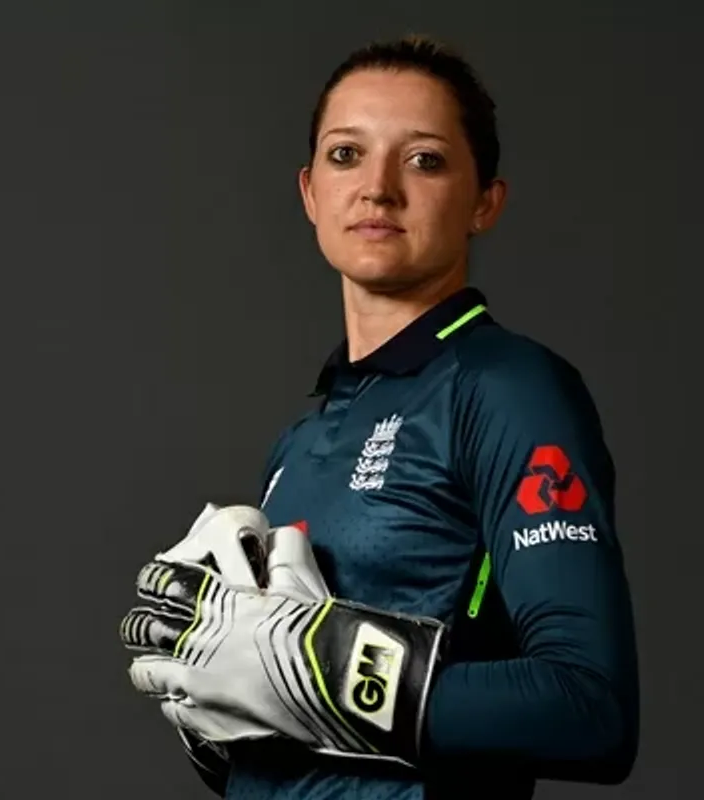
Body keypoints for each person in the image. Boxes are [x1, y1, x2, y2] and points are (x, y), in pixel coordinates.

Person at [121, 34, 639, 799]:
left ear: (485, 201)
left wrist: (320, 667)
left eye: (424, 159)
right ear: (308, 194)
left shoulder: (507, 388)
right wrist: (219, 711)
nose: (378, 189)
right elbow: (308, 745)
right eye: (345, 155)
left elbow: (591, 709)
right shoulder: (299, 443)